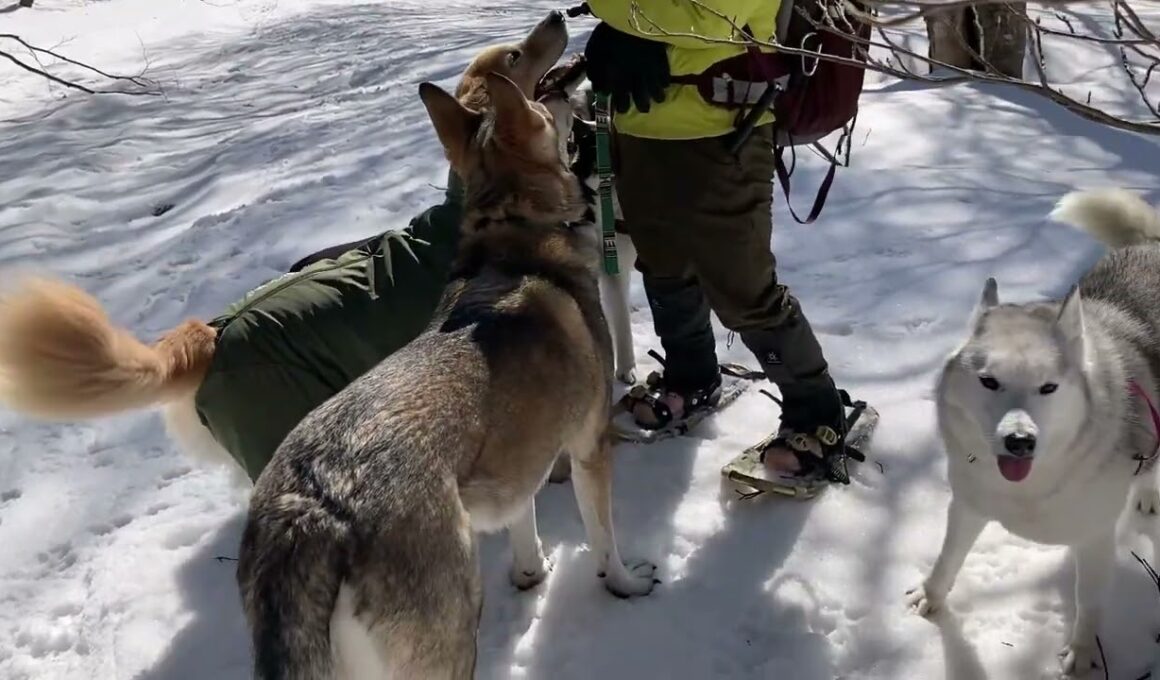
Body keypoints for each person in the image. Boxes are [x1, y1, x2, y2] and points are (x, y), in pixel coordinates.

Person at [581, 0, 859, 495]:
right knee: (663, 264)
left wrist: (625, 25)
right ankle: (690, 376)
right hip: (637, 123)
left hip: (726, 129)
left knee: (744, 287)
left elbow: (711, 19)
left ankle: (817, 411)